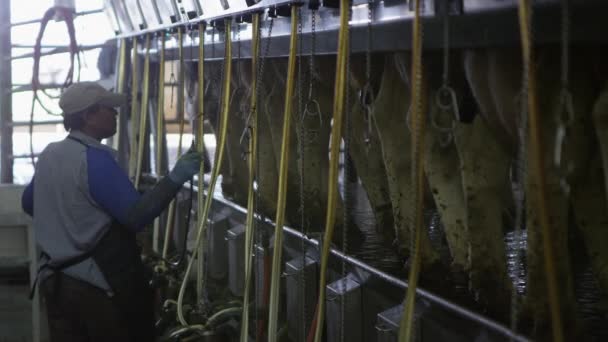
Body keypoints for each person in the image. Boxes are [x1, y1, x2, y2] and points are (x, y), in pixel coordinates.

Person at [21, 82, 203, 342]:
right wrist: (176, 176)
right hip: (95, 287)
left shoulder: (51, 154)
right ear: (88, 115)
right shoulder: (94, 159)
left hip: (56, 282)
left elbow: (29, 203)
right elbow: (136, 217)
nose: (116, 114)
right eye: (109, 109)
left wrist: (67, 224)